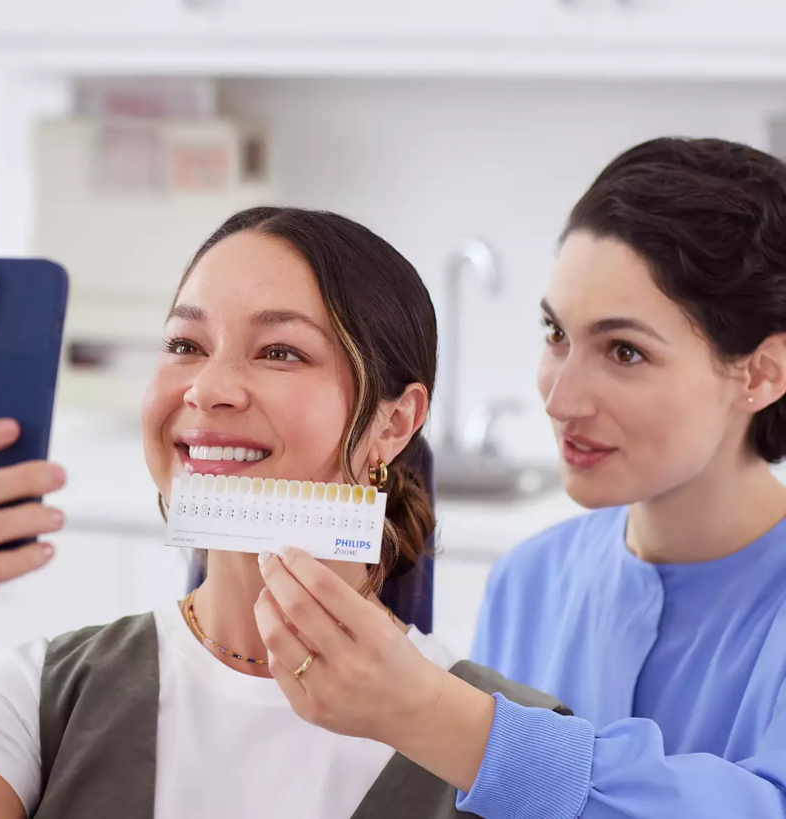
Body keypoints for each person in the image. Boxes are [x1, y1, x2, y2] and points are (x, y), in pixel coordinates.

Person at [0, 207, 567, 819]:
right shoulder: (32, 700)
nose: (207, 388)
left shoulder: (514, 750)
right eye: (184, 343)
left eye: (279, 352)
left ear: (395, 422)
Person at [256, 137, 786, 818]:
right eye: (556, 333)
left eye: (625, 351)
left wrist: (440, 716)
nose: (560, 397)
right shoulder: (531, 580)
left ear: (763, 373)